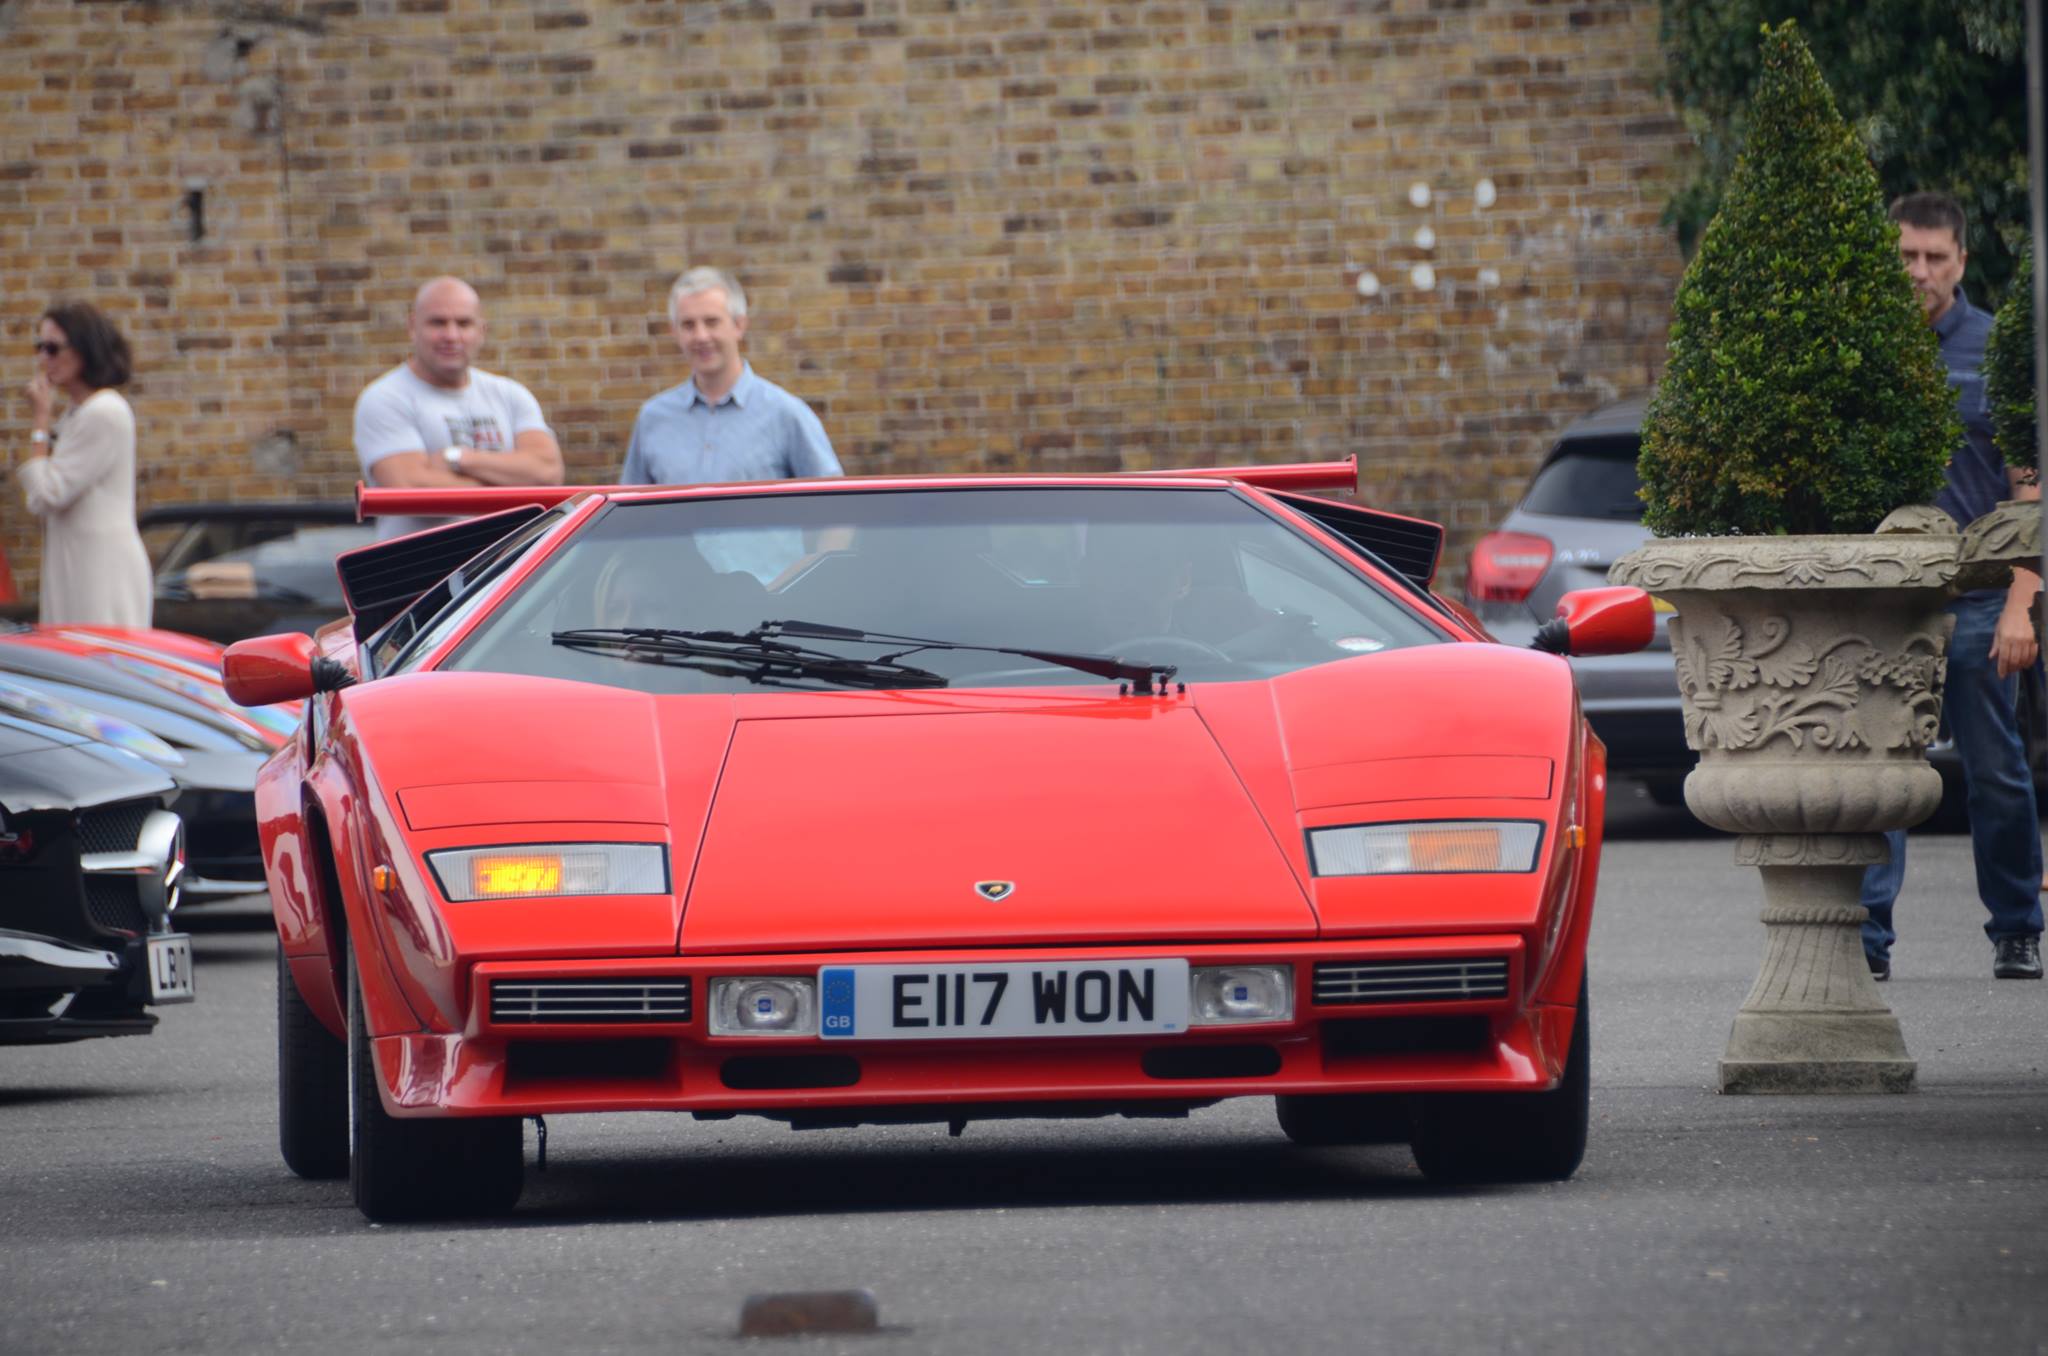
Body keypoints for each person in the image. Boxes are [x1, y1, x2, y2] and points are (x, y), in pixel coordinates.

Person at [1861, 192, 2044, 981]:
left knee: (1996, 771)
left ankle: (2016, 927)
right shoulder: (1863, 350)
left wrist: (2020, 606)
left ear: (1962, 262)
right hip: (1888, 602)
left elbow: (2028, 492)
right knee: (1879, 775)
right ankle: (1867, 941)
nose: (1920, 272)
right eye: (1906, 256)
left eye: (1935, 257)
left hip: (1977, 602)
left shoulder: (1995, 349)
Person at [620, 268, 842, 581]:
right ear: (674, 332)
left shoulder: (785, 413)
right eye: (688, 325)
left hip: (768, 613)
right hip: (677, 605)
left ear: (739, 325)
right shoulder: (653, 419)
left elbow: (837, 516)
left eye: (711, 321)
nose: (700, 336)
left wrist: (809, 585)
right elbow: (630, 521)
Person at [353, 276, 562, 538]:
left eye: (463, 323)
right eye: (437, 322)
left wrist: (457, 458)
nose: (451, 336)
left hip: (512, 572)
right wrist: (515, 489)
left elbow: (547, 472)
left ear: (481, 331)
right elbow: (411, 489)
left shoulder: (510, 394)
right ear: (412, 326)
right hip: (422, 571)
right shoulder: (385, 398)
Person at [13, 302, 151, 627]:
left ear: (84, 349)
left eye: (53, 348)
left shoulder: (104, 411)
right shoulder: (79, 413)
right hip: (78, 562)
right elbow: (41, 496)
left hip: (101, 568)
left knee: (99, 663)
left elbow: (47, 494)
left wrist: (40, 421)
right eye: (40, 348)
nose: (44, 358)